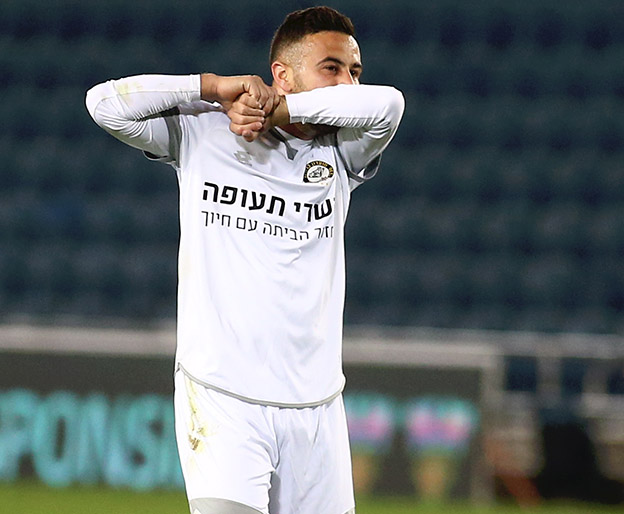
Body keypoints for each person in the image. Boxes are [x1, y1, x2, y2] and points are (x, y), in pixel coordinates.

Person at [85, 6, 404, 514]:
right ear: (283, 73)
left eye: (354, 71)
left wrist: (281, 112)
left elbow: (390, 104)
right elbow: (103, 103)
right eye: (331, 67)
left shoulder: (343, 150)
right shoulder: (203, 132)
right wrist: (213, 88)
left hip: (316, 408)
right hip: (222, 398)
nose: (348, 83)